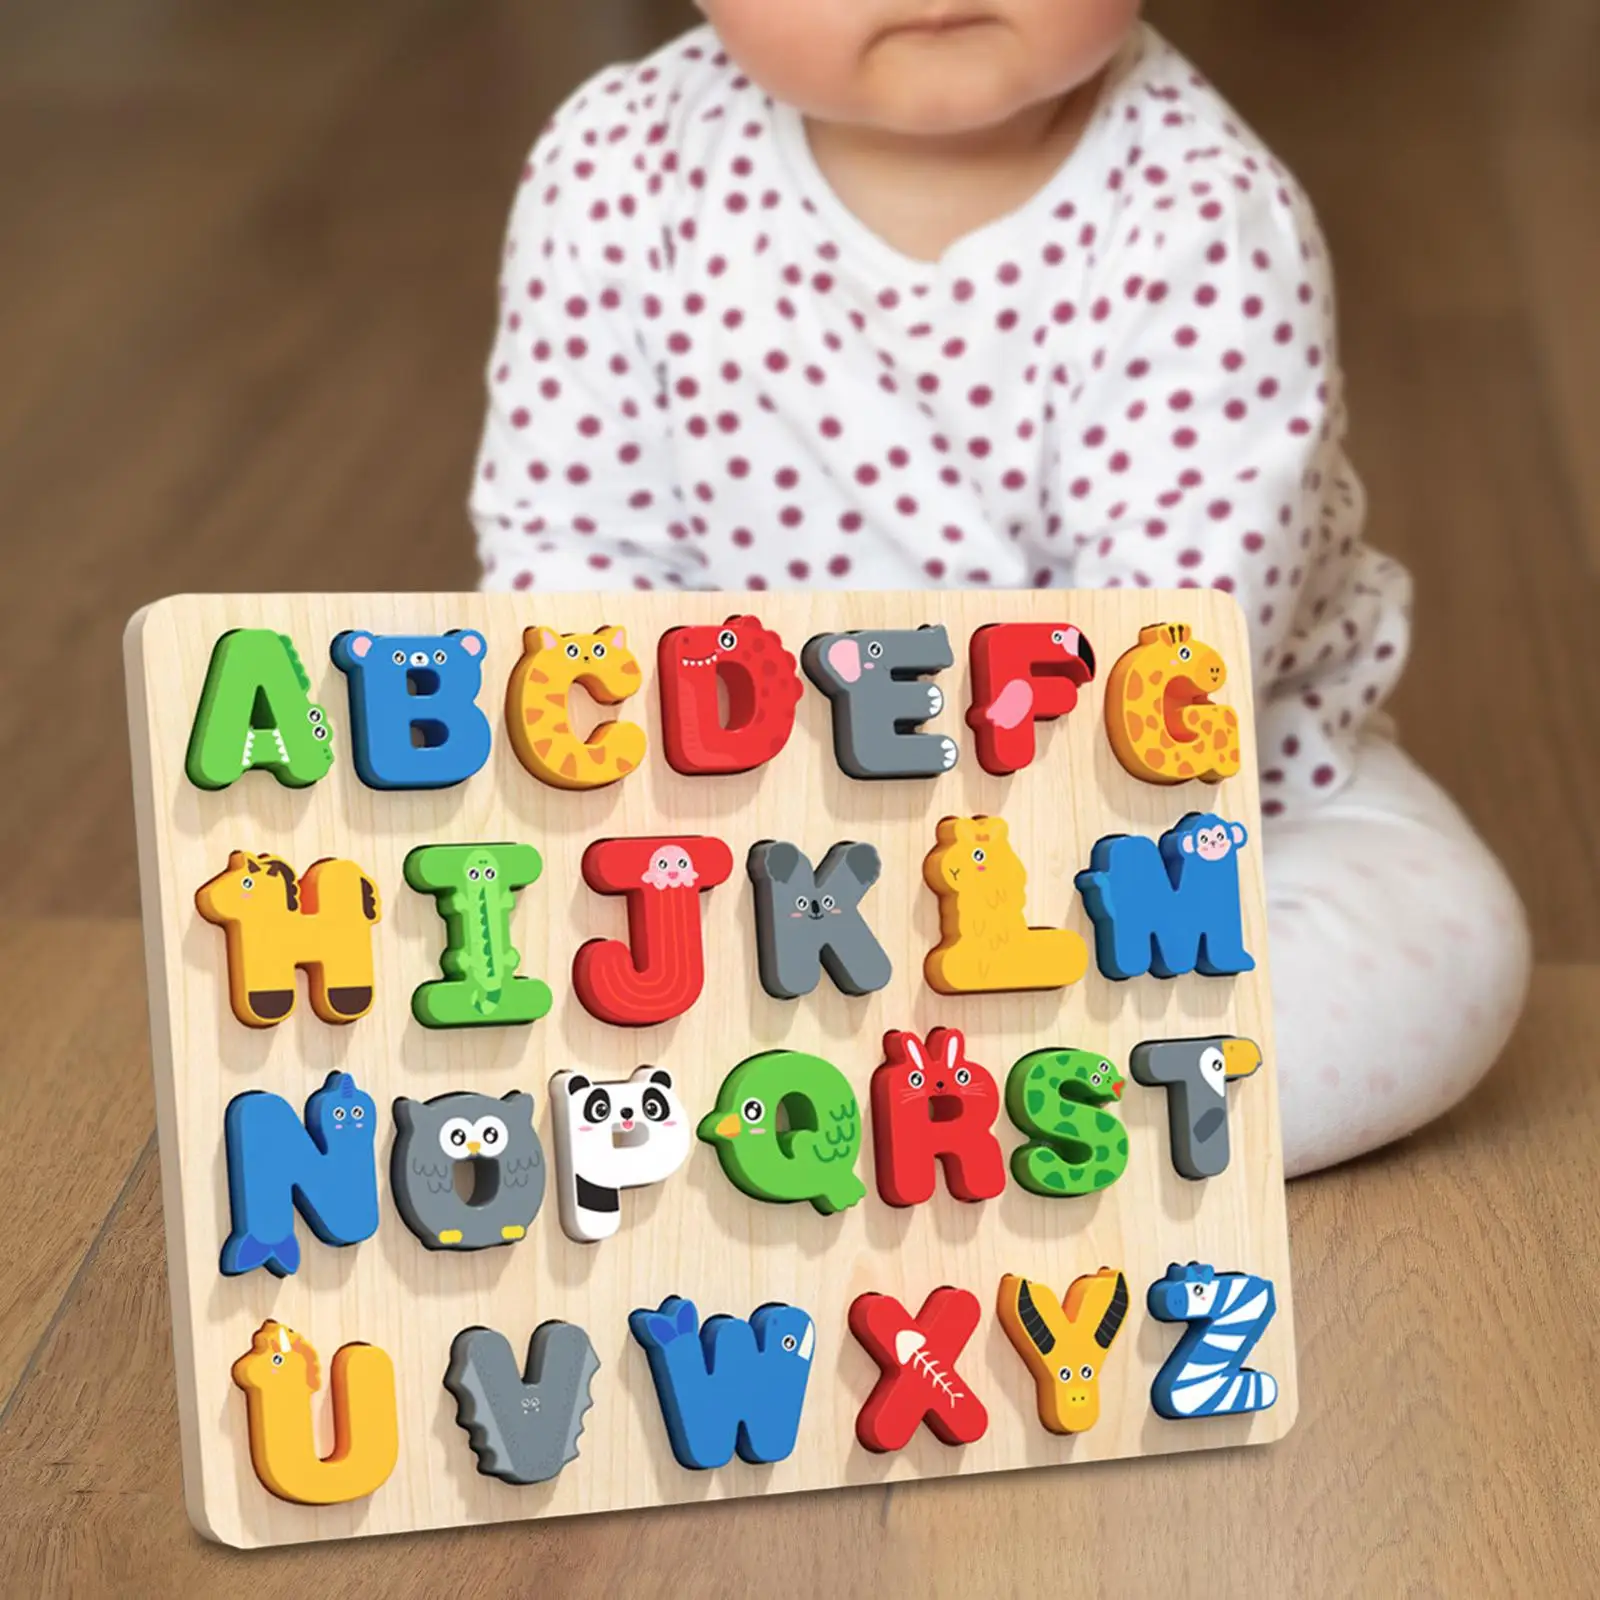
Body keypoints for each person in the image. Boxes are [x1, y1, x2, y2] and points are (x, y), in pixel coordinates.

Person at [470, 3, 1530, 1174]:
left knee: (1440, 954)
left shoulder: (1200, 212)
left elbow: (1171, 651)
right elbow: (572, 548)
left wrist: (979, 906)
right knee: (455, 933)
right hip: (753, 831)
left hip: (1190, 833)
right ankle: (876, 1097)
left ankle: (922, 1113)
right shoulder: (617, 165)